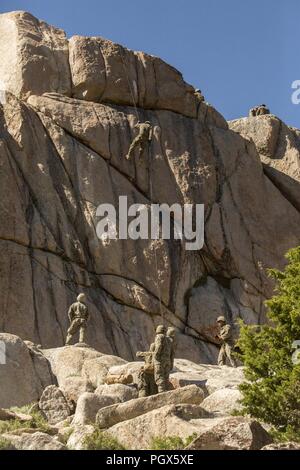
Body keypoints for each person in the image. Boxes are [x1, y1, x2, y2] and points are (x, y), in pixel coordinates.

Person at [153, 324, 172, 393]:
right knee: (166, 377)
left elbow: (159, 346)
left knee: (159, 376)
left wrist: (155, 355)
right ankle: (166, 392)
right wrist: (171, 362)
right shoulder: (169, 340)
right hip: (167, 361)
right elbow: (172, 353)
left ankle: (161, 392)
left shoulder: (159, 336)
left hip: (160, 360)